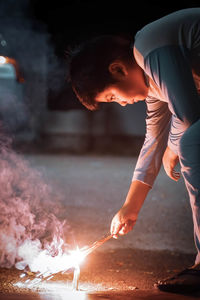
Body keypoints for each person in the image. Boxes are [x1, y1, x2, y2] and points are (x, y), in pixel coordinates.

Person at [69, 8, 200, 293]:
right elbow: (153, 141)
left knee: (191, 142)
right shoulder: (154, 86)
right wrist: (131, 207)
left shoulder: (150, 47)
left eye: (113, 96)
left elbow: (189, 114)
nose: (121, 103)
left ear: (117, 68)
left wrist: (173, 148)